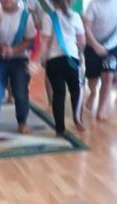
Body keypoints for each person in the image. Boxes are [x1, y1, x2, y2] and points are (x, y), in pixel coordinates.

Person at [38, 0, 85, 136]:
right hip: (72, 59)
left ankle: (60, 128)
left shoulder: (48, 17)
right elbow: (82, 41)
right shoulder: (75, 16)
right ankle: (78, 120)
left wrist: (41, 59)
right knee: (76, 90)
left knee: (58, 94)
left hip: (54, 60)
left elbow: (45, 43)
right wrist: (80, 54)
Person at [0, 0, 36, 137]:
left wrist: (14, 50)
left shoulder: (26, 16)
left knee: (21, 92)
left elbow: (29, 40)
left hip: (19, 59)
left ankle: (22, 122)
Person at [82, 0, 117, 121]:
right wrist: (95, 45)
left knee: (108, 77)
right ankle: (93, 93)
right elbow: (86, 28)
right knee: (92, 78)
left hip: (112, 47)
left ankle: (101, 109)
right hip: (92, 46)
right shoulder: (93, 5)